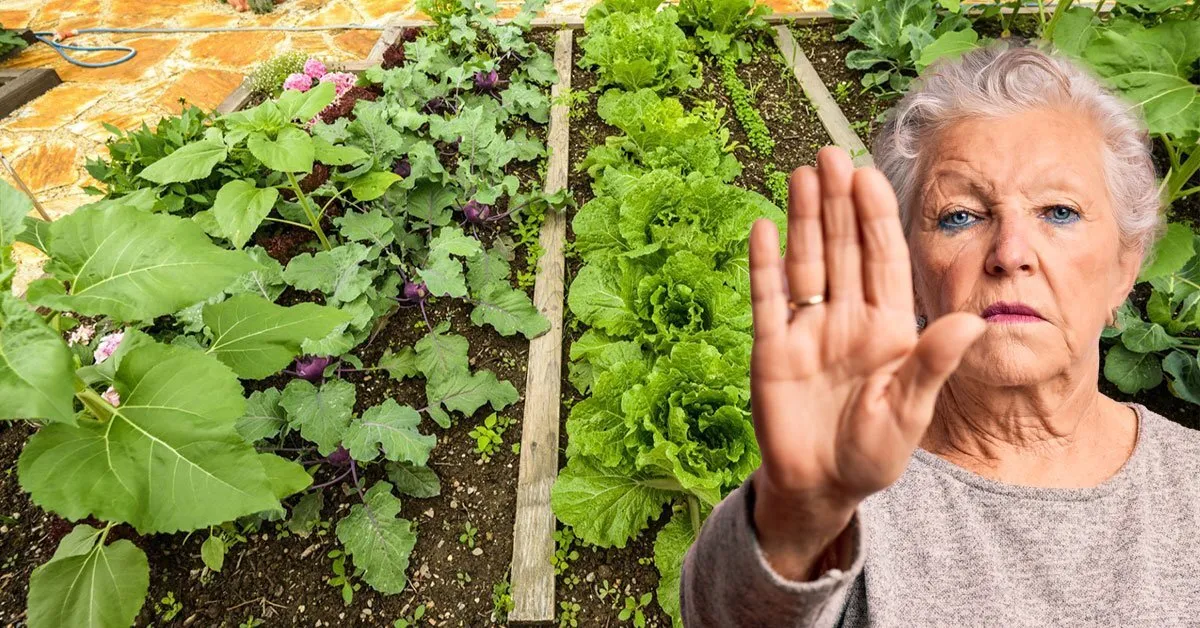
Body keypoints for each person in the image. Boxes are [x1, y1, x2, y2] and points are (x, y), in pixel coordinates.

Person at [680, 43, 1200, 626]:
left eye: (1059, 211)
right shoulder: (849, 485)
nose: (1010, 254)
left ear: (1124, 269)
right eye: (961, 216)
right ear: (912, 275)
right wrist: (800, 514)